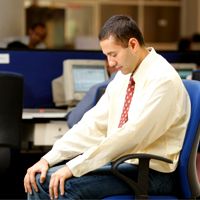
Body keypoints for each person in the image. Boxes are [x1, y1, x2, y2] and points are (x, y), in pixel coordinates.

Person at [24, 15, 191, 199]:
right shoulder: (125, 75)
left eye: (113, 54)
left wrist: (74, 166)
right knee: (39, 179)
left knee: (63, 186)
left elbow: (130, 136)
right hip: (122, 164)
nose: (110, 63)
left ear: (133, 45)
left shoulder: (162, 80)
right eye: (107, 56)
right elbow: (93, 124)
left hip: (152, 173)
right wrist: (48, 158)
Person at [66, 59, 118, 128]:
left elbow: (73, 121)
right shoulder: (133, 84)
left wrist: (72, 112)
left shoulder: (99, 88)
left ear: (108, 64)